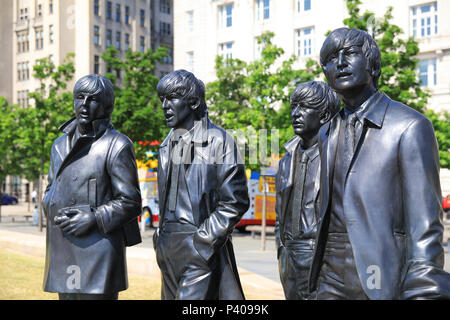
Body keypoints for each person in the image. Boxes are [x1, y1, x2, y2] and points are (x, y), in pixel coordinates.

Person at [309, 27, 450, 299]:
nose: (339, 63)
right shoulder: (326, 132)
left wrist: (422, 289)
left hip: (382, 277)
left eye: (349, 54)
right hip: (329, 277)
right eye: (330, 59)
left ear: (372, 65)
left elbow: (425, 227)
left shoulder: (409, 126)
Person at [42, 74, 142, 300]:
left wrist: (94, 218)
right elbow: (51, 187)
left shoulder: (117, 144)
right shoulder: (59, 145)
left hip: (99, 248)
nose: (84, 105)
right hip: (63, 243)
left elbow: (131, 201)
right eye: (80, 97)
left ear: (107, 105)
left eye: (93, 99)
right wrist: (50, 205)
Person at [153, 69, 250, 300]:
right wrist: (160, 238)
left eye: (172, 98)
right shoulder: (166, 147)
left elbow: (235, 201)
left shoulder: (219, 141)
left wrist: (204, 240)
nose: (165, 106)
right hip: (168, 247)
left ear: (193, 101)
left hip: (199, 244)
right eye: (162, 100)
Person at [275, 81, 339, 300]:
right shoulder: (286, 159)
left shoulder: (337, 157)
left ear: (324, 115)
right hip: (289, 257)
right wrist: (281, 249)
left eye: (303, 107)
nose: (295, 113)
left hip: (321, 259)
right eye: (294, 107)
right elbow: (279, 212)